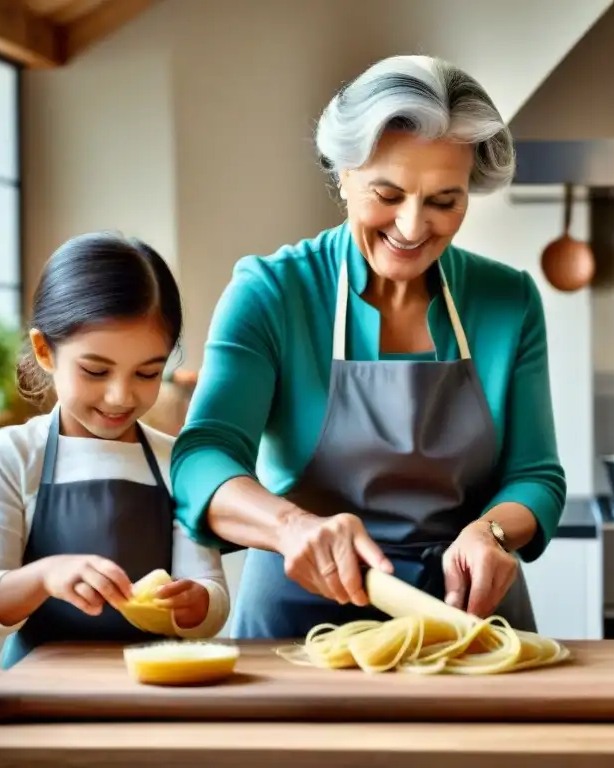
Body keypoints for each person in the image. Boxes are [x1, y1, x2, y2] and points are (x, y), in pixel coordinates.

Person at [171, 54, 567, 639]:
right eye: (388, 192)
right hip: (296, 616)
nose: (411, 227)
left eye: (444, 201)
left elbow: (536, 475)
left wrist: (492, 533)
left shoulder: (507, 300)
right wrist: (290, 527)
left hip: (465, 618)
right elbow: (202, 458)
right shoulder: (272, 292)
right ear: (343, 174)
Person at [0, 233, 231, 669]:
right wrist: (45, 576)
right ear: (45, 350)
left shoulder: (176, 461)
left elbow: (211, 598)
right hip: (39, 690)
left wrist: (194, 603)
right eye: (96, 370)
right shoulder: (12, 456)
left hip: (155, 686)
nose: (121, 396)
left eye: (147, 373)